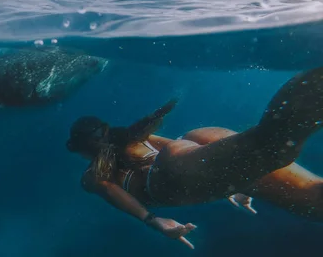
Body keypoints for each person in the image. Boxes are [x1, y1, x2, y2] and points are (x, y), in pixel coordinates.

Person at [66, 66, 323, 250]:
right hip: (193, 148)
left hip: (173, 175)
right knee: (308, 193)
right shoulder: (109, 160)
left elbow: (114, 188)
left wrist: (153, 220)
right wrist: (234, 184)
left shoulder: (97, 171)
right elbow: (175, 148)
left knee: (273, 145)